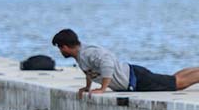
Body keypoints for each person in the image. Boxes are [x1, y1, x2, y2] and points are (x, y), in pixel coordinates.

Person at [51, 28, 199, 94]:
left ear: (65, 46)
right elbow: (90, 71)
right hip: (134, 74)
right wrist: (87, 87)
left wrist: (103, 89)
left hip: (135, 79)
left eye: (60, 48)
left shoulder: (87, 53)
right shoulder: (81, 55)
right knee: (174, 79)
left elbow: (107, 62)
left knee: (177, 83)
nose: (60, 51)